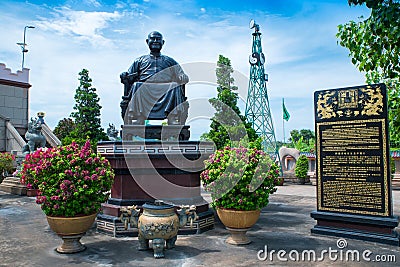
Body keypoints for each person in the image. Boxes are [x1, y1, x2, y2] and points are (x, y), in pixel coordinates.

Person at [120, 31, 189, 125]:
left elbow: (181, 74)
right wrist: (125, 75)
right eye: (153, 39)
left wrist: (182, 76)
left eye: (158, 39)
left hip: (166, 89)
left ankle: (172, 117)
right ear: (147, 41)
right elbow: (129, 75)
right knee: (136, 85)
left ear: (163, 42)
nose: (155, 41)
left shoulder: (170, 61)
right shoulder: (140, 60)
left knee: (175, 86)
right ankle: (139, 117)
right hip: (145, 88)